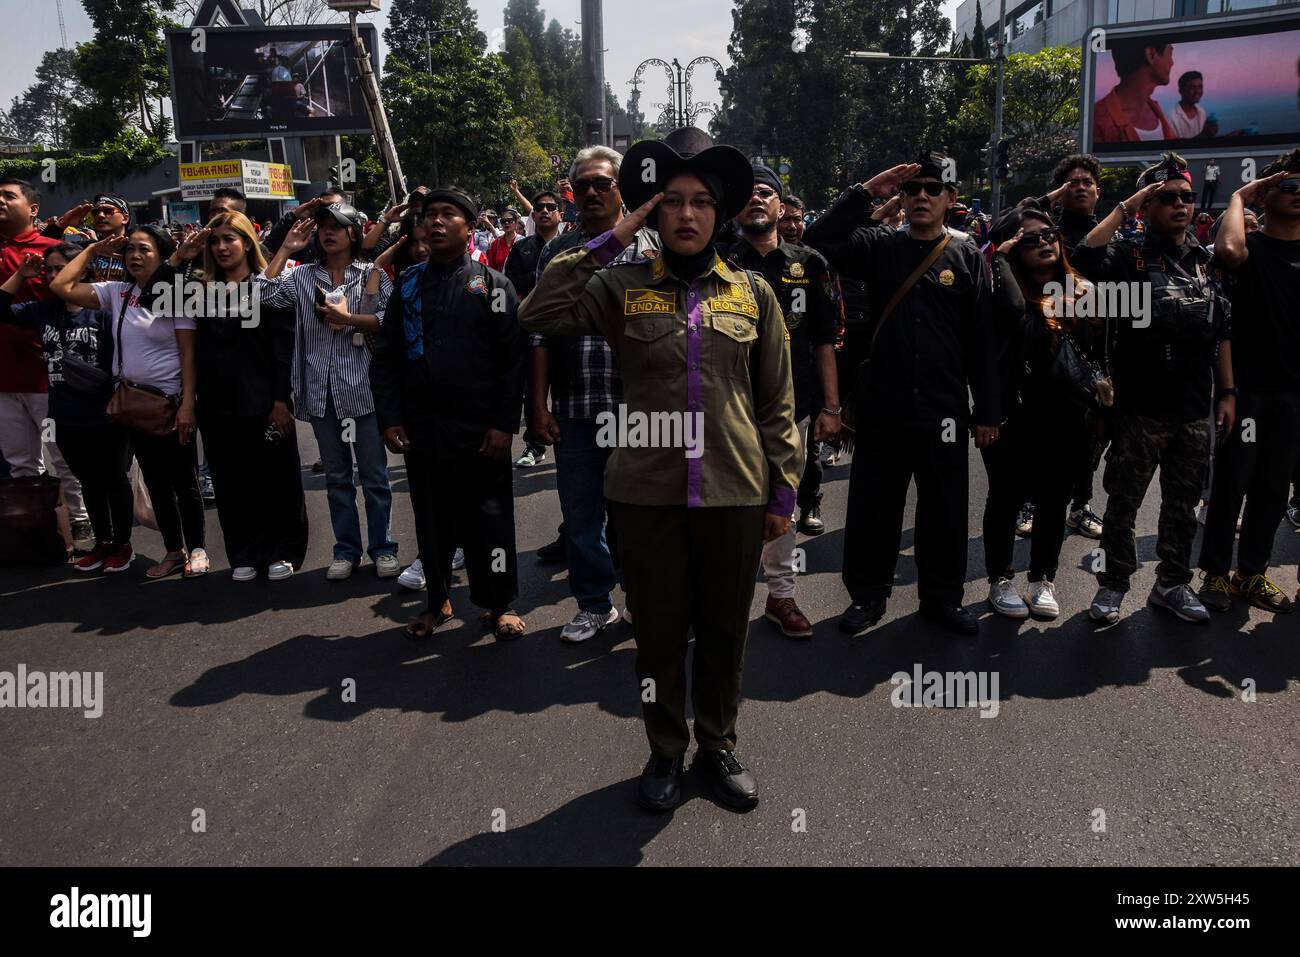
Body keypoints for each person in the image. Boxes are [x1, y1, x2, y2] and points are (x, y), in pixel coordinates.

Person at [521, 138, 802, 814]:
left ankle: (718, 742)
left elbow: (777, 402)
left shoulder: (754, 293)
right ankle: (665, 747)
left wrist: (785, 490)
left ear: (720, 214)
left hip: (734, 489)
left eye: (701, 202)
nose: (685, 214)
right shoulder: (622, 286)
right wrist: (617, 232)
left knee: (724, 630)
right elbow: (539, 311)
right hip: (645, 492)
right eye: (670, 201)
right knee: (659, 633)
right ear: (652, 210)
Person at [804, 153, 1000, 637]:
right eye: (914, 190)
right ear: (902, 198)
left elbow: (983, 340)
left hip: (944, 410)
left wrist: (988, 410)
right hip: (884, 407)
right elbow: (818, 240)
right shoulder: (879, 246)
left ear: (951, 199)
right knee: (874, 507)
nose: (922, 197)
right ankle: (867, 597)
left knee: (945, 511)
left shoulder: (967, 256)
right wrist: (866, 189)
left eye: (934, 189)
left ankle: (942, 599)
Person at [1071, 152, 1232, 625]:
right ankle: (1113, 586)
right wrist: (1128, 205)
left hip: (1192, 409)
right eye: (1167, 198)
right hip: (1139, 408)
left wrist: (1228, 393)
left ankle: (1172, 584)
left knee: (1183, 507)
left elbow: (1222, 330)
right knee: (1123, 505)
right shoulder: (1127, 255)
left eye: (1185, 196)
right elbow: (1082, 257)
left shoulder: (1204, 262)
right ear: (1148, 205)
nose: (1180, 205)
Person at [370, 187, 527, 639]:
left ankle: (498, 604)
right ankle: (437, 601)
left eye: (448, 215)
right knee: (433, 518)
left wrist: (503, 425)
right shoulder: (409, 284)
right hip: (424, 427)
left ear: (470, 226)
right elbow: (387, 355)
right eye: (429, 216)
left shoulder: (494, 285)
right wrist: (390, 417)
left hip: (481, 430)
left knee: (489, 518)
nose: (435, 223)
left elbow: (511, 361)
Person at [529, 145, 662, 640]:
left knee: (639, 515)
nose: (589, 193)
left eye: (601, 184)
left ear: (622, 189)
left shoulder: (653, 247)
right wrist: (538, 405)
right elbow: (539, 332)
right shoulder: (557, 252)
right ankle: (593, 603)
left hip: (640, 407)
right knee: (581, 515)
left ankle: (640, 599)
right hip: (576, 405)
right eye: (580, 185)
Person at [50, 225, 210, 579]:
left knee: (184, 482)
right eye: (130, 250)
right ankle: (173, 551)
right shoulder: (117, 292)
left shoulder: (175, 295)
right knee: (155, 482)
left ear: (163, 254)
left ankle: (197, 548)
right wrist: (91, 252)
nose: (135, 257)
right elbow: (60, 286)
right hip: (132, 404)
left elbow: (188, 355)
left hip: (170, 404)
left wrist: (188, 406)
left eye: (144, 250)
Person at [726, 162, 841, 639]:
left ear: (781, 205)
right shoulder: (719, 261)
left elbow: (823, 341)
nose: (757, 198)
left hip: (793, 407)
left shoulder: (810, 264)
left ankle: (781, 595)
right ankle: (723, 596)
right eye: (748, 192)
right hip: (727, 408)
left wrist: (832, 408)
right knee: (726, 505)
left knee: (782, 504)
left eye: (766, 192)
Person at [161, 213, 309, 582]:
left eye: (230, 239)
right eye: (215, 241)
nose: (222, 247)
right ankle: (244, 550)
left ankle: (283, 549)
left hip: (264, 403)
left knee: (276, 481)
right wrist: (180, 256)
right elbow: (154, 297)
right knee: (231, 483)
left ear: (247, 241)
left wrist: (280, 401)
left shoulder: (267, 286)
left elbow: (282, 349)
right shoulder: (199, 289)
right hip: (216, 405)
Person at [258, 201, 398, 581]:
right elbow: (262, 296)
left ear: (353, 233)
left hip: (362, 392)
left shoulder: (371, 274)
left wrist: (350, 319)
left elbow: (390, 320)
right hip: (320, 393)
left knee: (374, 477)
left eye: (336, 226)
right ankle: (346, 550)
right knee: (337, 478)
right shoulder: (302, 276)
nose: (327, 232)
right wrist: (285, 249)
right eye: (322, 226)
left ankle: (383, 548)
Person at [982, 206, 1104, 620]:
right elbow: (1013, 315)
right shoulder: (1001, 291)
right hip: (1014, 416)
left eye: (1049, 234)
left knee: (1054, 501)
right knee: (1006, 499)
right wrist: (1000, 258)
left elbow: (1101, 354)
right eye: (1029, 239)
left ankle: (1042, 579)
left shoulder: (1082, 291)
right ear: (1014, 247)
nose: (1044, 243)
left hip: (1069, 417)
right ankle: (1000, 579)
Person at [1196, 150, 1300, 611]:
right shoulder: (1250, 250)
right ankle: (1216, 574)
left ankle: (1251, 575)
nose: (1298, 196)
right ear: (1269, 192)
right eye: (1289, 186)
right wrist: (1239, 195)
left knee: (1275, 490)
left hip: (1295, 395)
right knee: (1232, 483)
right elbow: (1226, 251)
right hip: (1250, 391)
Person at [0, 243, 128, 571]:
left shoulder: (103, 309)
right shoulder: (44, 310)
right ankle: (102, 542)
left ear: (80, 270)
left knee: (113, 479)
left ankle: (122, 543)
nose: (53, 276)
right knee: (88, 481)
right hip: (63, 414)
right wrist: (21, 274)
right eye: (49, 270)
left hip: (104, 411)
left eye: (60, 268)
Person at [0, 177, 93, 552]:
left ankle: (82, 520)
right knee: (21, 462)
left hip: (48, 379)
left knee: (64, 456)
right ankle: (37, 527)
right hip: (4, 381)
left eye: (8, 196)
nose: (0, 201)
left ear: (32, 208)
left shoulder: (55, 251)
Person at [1021, 154, 1107, 541]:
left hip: (1092, 351)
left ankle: (1081, 507)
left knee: (1089, 436)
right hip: (1044, 346)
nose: (1081, 187)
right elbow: (1017, 217)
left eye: (1087, 182)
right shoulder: (1046, 231)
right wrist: (1051, 198)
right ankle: (1029, 503)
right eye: (1073, 182)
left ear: (1098, 191)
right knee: (1036, 432)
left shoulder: (1115, 235)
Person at [505, 189, 564, 470]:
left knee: (567, 385)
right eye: (538, 207)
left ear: (559, 213)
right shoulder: (522, 248)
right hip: (531, 326)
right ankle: (534, 445)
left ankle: (568, 443)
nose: (544, 211)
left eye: (550, 207)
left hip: (566, 327)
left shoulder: (571, 245)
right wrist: (543, 278)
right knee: (532, 389)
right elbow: (511, 282)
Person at [1093, 35, 1176, 143]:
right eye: (1170, 53)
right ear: (1151, 55)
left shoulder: (1156, 109)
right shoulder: (1099, 119)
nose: (1172, 63)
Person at [264, 188, 346, 263]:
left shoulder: (354, 239)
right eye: (323, 207)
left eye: (334, 206)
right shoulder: (304, 240)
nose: (328, 211)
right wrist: (294, 216)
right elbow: (268, 249)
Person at [1167, 71, 1212, 140]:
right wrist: (1203, 134)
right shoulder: (1171, 117)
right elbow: (1174, 147)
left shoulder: (1201, 112)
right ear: (1181, 91)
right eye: (1192, 88)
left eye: (1200, 87)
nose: (1197, 91)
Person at [486, 208, 522, 272]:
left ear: (516, 223)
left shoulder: (523, 241)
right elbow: (491, 268)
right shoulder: (496, 244)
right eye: (503, 221)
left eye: (510, 220)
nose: (506, 223)